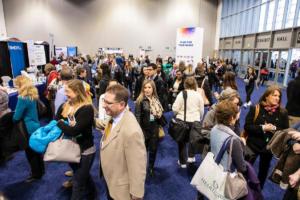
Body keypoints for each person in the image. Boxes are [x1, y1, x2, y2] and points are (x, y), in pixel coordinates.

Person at [100, 84, 147, 200]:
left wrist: (136, 195)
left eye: (108, 103)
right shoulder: (116, 116)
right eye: (104, 101)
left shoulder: (132, 132)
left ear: (121, 105)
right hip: (112, 181)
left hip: (121, 192)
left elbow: (138, 167)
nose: (103, 105)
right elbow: (109, 126)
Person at [198, 100, 247, 200]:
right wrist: (243, 146)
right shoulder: (235, 140)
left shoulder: (215, 128)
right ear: (232, 118)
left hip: (214, 171)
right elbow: (242, 167)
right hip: (225, 179)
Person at [56, 79, 96, 200]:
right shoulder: (66, 105)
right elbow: (56, 118)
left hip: (85, 150)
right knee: (83, 175)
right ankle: (93, 194)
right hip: (70, 148)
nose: (65, 94)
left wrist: (61, 123)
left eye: (68, 91)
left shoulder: (87, 108)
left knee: (78, 183)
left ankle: (92, 194)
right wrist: (61, 122)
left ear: (77, 92)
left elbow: (74, 131)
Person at [244, 85, 289, 188]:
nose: (277, 98)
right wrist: (263, 128)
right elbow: (247, 127)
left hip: (268, 149)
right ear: (266, 96)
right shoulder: (256, 108)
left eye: (279, 96)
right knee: (245, 170)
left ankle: (258, 193)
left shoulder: (283, 113)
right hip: (252, 146)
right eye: (274, 95)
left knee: (262, 174)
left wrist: (274, 129)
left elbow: (285, 132)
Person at [13, 75, 44, 182]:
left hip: (27, 129)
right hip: (36, 125)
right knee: (36, 150)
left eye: (17, 85)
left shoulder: (22, 98)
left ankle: (35, 174)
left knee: (30, 153)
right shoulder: (33, 95)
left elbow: (16, 117)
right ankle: (41, 171)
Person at [172, 77, 204, 167]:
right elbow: (202, 110)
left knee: (181, 142)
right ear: (195, 85)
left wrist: (177, 114)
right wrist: (199, 119)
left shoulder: (181, 94)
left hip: (182, 121)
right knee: (193, 140)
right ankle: (191, 157)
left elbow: (174, 109)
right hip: (195, 121)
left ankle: (182, 163)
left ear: (185, 84)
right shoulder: (198, 95)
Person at [135, 80, 164, 177]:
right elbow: (137, 117)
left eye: (149, 87)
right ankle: (141, 168)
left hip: (154, 129)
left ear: (153, 89)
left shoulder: (156, 99)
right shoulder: (140, 101)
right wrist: (139, 132)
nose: (147, 89)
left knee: (153, 150)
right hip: (144, 130)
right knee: (142, 152)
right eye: (145, 87)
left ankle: (151, 167)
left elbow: (160, 115)